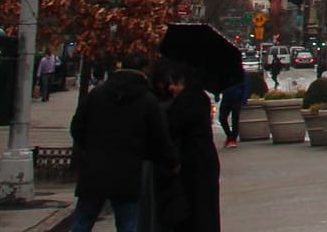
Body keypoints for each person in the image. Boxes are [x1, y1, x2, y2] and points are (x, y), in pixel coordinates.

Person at [68, 52, 176, 232]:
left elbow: (77, 126)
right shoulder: (147, 100)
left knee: (83, 219)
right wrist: (169, 161)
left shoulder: (98, 94)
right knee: (127, 223)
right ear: (143, 70)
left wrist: (89, 148)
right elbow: (160, 137)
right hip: (129, 172)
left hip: (95, 168)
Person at [160, 62, 220, 232]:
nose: (172, 88)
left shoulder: (188, 101)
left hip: (195, 163)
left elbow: (175, 125)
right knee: (204, 209)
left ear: (184, 82)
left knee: (197, 209)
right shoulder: (197, 97)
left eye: (175, 83)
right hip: (202, 160)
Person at [215, 76, 247, 148]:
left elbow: (245, 86)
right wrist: (216, 94)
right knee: (222, 118)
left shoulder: (240, 74)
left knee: (234, 120)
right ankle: (229, 136)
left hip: (237, 99)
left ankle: (233, 139)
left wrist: (243, 99)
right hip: (226, 99)